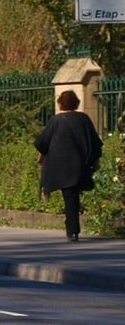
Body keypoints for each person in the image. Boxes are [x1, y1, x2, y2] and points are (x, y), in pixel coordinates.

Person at [34, 90, 103, 242]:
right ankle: (72, 224)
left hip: (62, 166)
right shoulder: (83, 119)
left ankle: (72, 230)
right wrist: (95, 160)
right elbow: (94, 142)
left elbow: (43, 142)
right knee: (73, 195)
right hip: (80, 165)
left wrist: (41, 158)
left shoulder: (56, 120)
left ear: (60, 103)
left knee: (70, 196)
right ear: (76, 103)